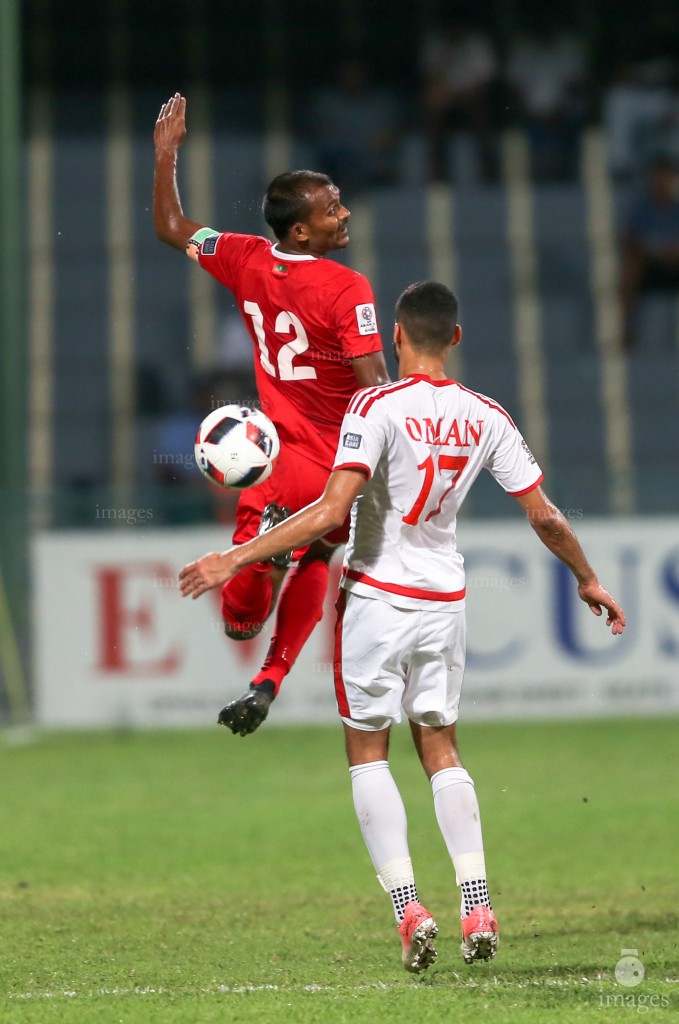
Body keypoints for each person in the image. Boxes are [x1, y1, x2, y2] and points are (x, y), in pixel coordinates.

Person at [178, 281, 626, 972]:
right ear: (454, 337)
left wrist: (232, 557)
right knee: (441, 746)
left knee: (367, 752)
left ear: (393, 336)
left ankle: (409, 910)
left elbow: (331, 514)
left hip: (378, 598)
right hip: (443, 598)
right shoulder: (486, 414)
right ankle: (476, 903)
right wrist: (586, 578)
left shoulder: (373, 405)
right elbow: (545, 515)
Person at [153, 92, 390, 735]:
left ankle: (262, 565)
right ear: (301, 230)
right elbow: (378, 386)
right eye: (331, 208)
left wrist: (166, 153)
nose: (344, 213)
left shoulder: (243, 257)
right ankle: (270, 679)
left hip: (280, 463)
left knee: (240, 617)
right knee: (318, 558)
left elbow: (172, 227)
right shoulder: (348, 288)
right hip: (343, 469)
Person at [619, 155, 679, 349]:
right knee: (630, 267)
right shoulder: (641, 209)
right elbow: (630, 241)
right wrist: (654, 250)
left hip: (675, 265)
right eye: (657, 177)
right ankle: (629, 332)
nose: (661, 182)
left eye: (665, 177)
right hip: (648, 267)